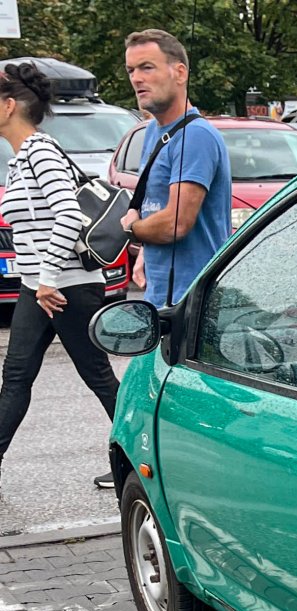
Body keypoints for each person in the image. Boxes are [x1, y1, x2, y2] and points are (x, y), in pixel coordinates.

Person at [0, 62, 121, 491]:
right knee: (16, 376)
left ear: (9, 106)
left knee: (98, 377)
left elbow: (68, 214)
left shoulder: (42, 151)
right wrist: (39, 282)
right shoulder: (18, 160)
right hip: (37, 288)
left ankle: (138, 458)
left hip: (68, 287)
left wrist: (49, 277)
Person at [118, 28, 232, 309]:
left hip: (192, 303)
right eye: (131, 70)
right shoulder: (153, 131)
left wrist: (132, 229)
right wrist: (144, 253)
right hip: (160, 297)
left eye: (147, 67)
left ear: (180, 73)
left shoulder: (195, 135)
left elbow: (175, 223)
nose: (136, 78)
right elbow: (156, 206)